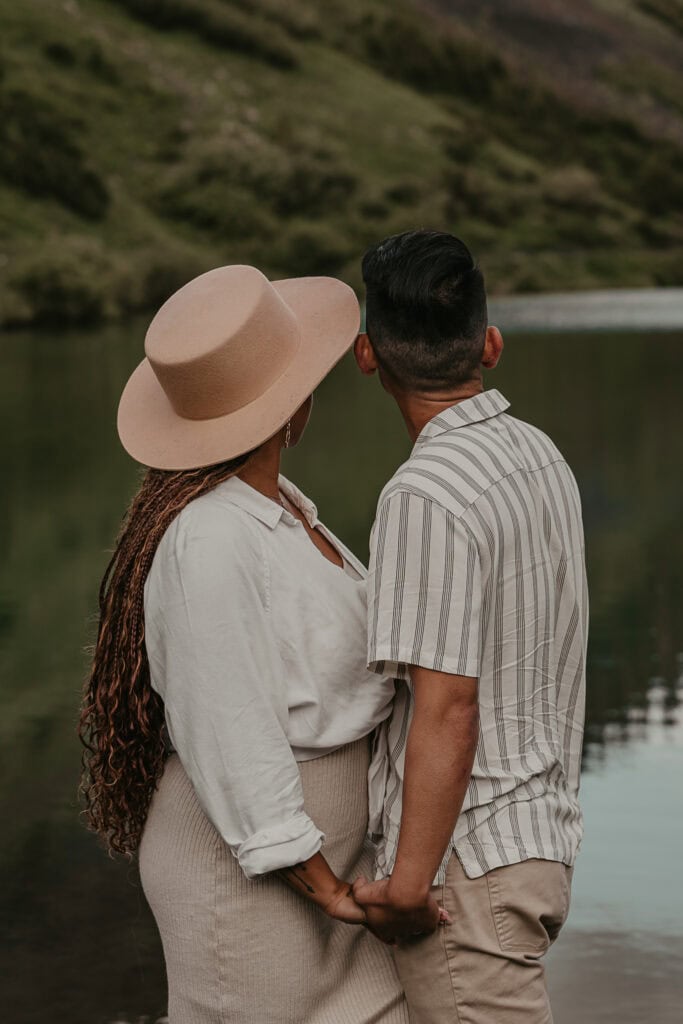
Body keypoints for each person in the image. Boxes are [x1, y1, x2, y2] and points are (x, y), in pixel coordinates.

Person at [79, 265, 411, 1024]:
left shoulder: (280, 507)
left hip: (323, 858)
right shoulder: (210, 539)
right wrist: (326, 888)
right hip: (257, 875)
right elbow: (230, 730)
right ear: (291, 408)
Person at [352, 230, 588, 1023]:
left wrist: (406, 888)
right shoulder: (538, 452)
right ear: (489, 343)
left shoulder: (424, 493)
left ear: (365, 356)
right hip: (537, 841)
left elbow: (446, 706)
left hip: (466, 872)